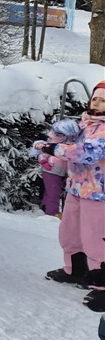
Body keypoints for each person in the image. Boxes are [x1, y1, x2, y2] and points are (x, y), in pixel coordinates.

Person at [38, 81, 105, 287]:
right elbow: (66, 143)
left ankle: (101, 282)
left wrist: (55, 149)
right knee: (70, 232)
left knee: (96, 237)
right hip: (76, 188)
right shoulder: (84, 125)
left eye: (103, 101)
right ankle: (75, 270)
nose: (97, 103)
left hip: (98, 193)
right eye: (95, 98)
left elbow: (88, 153)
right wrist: (56, 136)